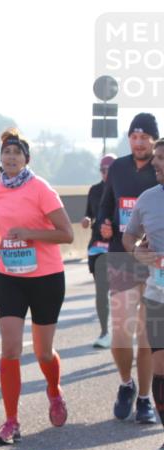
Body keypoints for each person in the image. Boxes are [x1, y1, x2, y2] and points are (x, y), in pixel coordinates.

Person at [0, 129, 74, 444]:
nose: (11, 158)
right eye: (7, 153)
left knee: (44, 352)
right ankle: (11, 421)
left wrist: (30, 233)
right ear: (1, 158)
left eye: (17, 153)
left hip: (46, 277)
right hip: (10, 277)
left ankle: (54, 390)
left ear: (26, 159)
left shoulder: (40, 189)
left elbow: (66, 234)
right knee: (10, 350)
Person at [100, 112, 160, 425]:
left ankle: (145, 399)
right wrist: (104, 225)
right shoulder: (119, 168)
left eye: (144, 137)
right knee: (121, 331)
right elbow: (105, 206)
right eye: (133, 137)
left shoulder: (160, 169)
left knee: (147, 333)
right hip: (122, 255)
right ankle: (126, 383)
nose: (138, 142)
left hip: (152, 260)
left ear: (153, 140)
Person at [123, 138, 164, 450]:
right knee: (161, 365)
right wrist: (137, 251)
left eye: (162, 160)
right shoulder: (148, 199)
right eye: (156, 161)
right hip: (157, 294)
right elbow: (129, 235)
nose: (157, 165)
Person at [81, 154, 117, 349]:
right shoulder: (94, 190)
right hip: (97, 247)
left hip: (119, 248)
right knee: (101, 291)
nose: (106, 174)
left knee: (121, 294)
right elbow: (89, 212)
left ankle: (123, 331)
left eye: (109, 170)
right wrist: (87, 219)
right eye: (103, 170)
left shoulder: (123, 188)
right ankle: (105, 332)